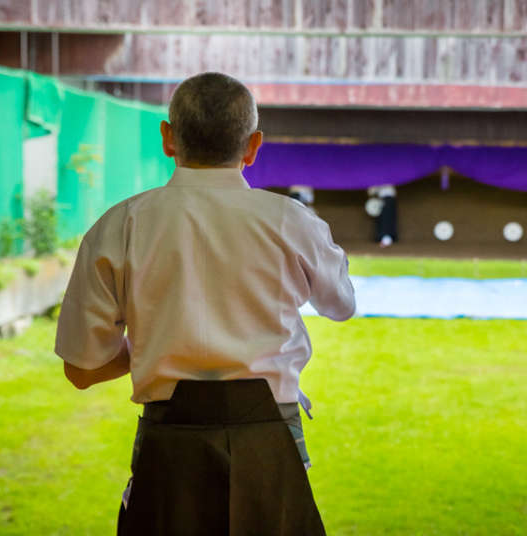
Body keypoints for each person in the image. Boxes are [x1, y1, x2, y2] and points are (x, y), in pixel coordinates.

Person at [54, 72, 355, 535]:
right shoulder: (291, 222)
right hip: (270, 429)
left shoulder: (120, 225)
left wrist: (159, 344)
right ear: (253, 146)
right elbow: (340, 304)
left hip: (169, 436)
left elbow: (82, 367)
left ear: (168, 138)